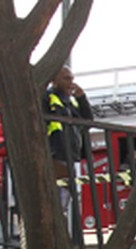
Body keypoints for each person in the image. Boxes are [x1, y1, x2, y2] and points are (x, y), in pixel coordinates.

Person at [45, 66, 94, 218]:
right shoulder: (47, 97)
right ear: (53, 80)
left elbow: (87, 121)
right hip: (56, 154)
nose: (71, 83)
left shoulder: (71, 102)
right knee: (58, 202)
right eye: (66, 79)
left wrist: (81, 98)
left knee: (65, 202)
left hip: (70, 156)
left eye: (72, 79)